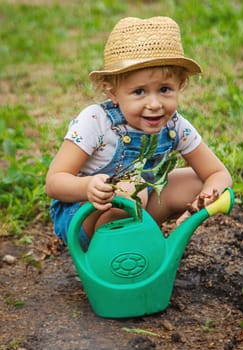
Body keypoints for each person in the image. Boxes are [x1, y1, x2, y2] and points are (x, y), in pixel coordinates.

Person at [45, 16, 232, 249]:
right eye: (139, 92)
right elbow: (53, 182)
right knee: (132, 190)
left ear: (180, 85)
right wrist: (87, 187)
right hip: (82, 217)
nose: (154, 104)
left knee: (195, 181)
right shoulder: (96, 121)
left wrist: (203, 201)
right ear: (112, 91)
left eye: (165, 89)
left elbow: (218, 173)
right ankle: (110, 253)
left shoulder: (175, 126)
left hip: (137, 204)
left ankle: (135, 242)